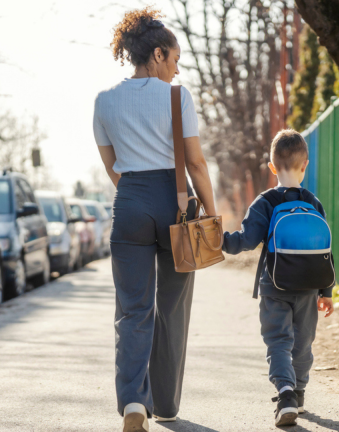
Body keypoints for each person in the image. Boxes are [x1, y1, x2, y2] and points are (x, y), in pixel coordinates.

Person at [93, 7, 217, 432]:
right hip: (176, 204)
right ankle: (164, 404)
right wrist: (212, 215)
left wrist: (134, 194)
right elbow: (197, 164)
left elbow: (112, 167)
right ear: (159, 54)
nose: (176, 68)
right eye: (176, 59)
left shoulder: (105, 101)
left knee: (133, 311)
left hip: (128, 204)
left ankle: (132, 402)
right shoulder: (177, 97)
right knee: (173, 308)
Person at [222, 129, 335, 427]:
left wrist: (219, 241)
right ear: (305, 165)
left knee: (278, 341)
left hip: (274, 285)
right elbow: (323, 250)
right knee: (303, 343)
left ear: (272, 167)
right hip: (310, 288)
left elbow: (245, 241)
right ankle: (298, 392)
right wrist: (327, 292)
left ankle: (285, 393)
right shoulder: (313, 202)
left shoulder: (265, 202)